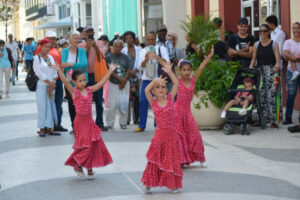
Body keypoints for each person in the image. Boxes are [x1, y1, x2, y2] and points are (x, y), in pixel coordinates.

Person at [52, 63, 116, 179]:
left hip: (90, 122)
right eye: (80, 81)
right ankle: (78, 165)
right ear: (75, 82)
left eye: (84, 80)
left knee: (92, 145)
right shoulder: (74, 92)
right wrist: (59, 71)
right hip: (80, 123)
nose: (83, 82)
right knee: (84, 146)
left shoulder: (89, 90)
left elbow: (101, 83)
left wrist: (110, 71)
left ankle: (89, 170)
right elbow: (65, 82)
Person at [141, 62, 182, 194]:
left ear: (166, 89)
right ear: (154, 91)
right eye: (157, 87)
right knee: (155, 159)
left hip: (171, 136)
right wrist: (155, 80)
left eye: (163, 87)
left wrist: (170, 72)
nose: (160, 89)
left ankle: (172, 184)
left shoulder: (170, 99)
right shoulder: (153, 102)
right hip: (159, 136)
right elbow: (146, 90)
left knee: (170, 159)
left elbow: (176, 84)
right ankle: (148, 182)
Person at [175, 48, 213, 166]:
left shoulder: (192, 81)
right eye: (184, 70)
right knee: (179, 137)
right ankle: (180, 160)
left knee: (194, 134)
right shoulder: (177, 81)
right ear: (180, 71)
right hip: (177, 113)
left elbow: (201, 67)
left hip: (187, 113)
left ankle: (201, 159)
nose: (186, 72)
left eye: (189, 70)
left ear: (191, 71)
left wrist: (210, 56)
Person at [134, 31, 169, 132]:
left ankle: (158, 124)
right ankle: (142, 125)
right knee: (143, 101)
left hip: (159, 80)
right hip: (146, 80)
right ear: (146, 39)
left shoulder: (161, 49)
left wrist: (156, 57)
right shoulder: (143, 51)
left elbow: (167, 63)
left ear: (155, 39)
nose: (150, 41)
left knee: (159, 102)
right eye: (148, 39)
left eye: (152, 39)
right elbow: (140, 67)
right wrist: (145, 59)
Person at [250, 24, 281, 128]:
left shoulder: (274, 44)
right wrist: (250, 68)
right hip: (260, 72)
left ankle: (273, 121)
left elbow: (278, 59)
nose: (262, 33)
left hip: (272, 71)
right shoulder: (256, 44)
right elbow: (254, 59)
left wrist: (277, 65)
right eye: (260, 31)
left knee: (272, 96)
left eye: (264, 31)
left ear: (268, 32)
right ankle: (260, 119)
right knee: (260, 96)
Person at [79, 26, 108, 131]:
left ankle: (99, 122)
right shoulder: (81, 45)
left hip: (97, 75)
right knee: (86, 101)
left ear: (94, 32)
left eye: (91, 31)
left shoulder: (100, 43)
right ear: (84, 34)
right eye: (88, 32)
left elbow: (101, 57)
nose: (90, 33)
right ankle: (87, 123)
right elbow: (83, 59)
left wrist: (94, 46)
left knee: (99, 101)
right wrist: (87, 46)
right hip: (85, 76)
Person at [61, 31, 88, 134]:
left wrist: (70, 64)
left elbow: (84, 64)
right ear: (70, 39)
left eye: (78, 38)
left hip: (81, 81)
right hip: (69, 82)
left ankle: (83, 126)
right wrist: (76, 64)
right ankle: (75, 126)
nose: (77, 40)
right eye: (75, 38)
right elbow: (63, 64)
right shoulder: (65, 51)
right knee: (72, 105)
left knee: (82, 105)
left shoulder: (82, 51)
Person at [32, 39, 60, 137]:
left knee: (50, 106)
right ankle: (42, 128)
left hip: (51, 85)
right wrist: (49, 82)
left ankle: (50, 127)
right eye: (46, 47)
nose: (47, 49)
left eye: (49, 47)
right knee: (42, 106)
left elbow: (55, 70)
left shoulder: (50, 58)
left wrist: (53, 83)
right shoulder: (37, 58)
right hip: (42, 85)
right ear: (41, 46)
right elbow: (38, 72)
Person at [105, 39, 130, 129]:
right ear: (113, 47)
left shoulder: (125, 57)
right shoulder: (108, 57)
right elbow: (110, 71)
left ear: (122, 47)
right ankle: (109, 123)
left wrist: (124, 81)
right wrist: (121, 80)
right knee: (112, 104)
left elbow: (128, 69)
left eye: (120, 46)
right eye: (116, 46)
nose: (118, 48)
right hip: (113, 83)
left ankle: (123, 122)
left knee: (124, 103)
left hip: (125, 83)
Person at [121, 31, 142, 125]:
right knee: (127, 98)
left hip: (137, 76)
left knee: (137, 97)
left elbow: (142, 62)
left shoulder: (139, 49)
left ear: (133, 39)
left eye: (130, 38)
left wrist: (136, 71)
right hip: (127, 76)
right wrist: (129, 72)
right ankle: (127, 119)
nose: (129, 40)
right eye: (127, 38)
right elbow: (122, 64)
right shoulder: (123, 51)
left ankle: (136, 118)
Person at [282, 22, 300, 125]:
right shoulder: (288, 42)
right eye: (294, 28)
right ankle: (288, 116)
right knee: (291, 94)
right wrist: (297, 58)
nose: (296, 30)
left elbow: (289, 56)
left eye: (298, 28)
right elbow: (285, 55)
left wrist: (292, 57)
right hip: (291, 71)